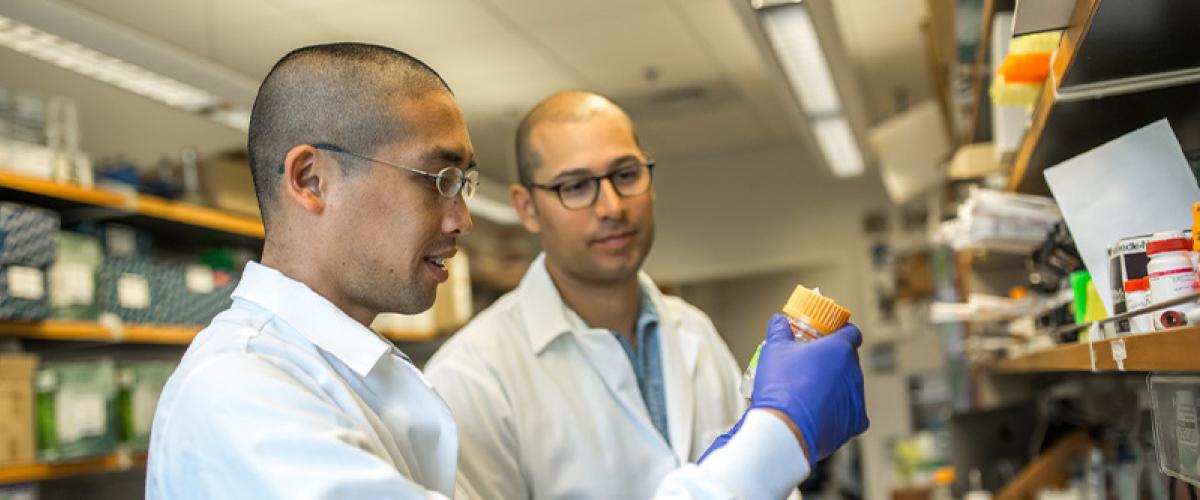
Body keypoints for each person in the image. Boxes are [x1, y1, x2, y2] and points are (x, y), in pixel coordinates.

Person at [146, 42, 868, 500]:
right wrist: (778, 435)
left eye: (466, 184)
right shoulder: (239, 395)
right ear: (312, 180)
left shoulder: (358, 379)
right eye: (438, 180)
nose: (460, 220)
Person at [424, 91, 765, 498]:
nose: (612, 207)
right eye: (577, 186)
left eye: (626, 175)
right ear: (527, 207)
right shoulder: (472, 377)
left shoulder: (695, 331)